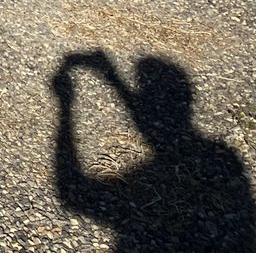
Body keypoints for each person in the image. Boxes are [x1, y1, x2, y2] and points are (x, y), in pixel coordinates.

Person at [51, 50, 254, 251]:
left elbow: (71, 192)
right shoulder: (224, 157)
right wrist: (111, 77)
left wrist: (66, 105)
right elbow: (159, 133)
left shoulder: (219, 156)